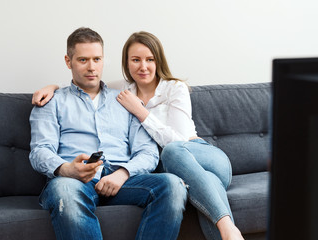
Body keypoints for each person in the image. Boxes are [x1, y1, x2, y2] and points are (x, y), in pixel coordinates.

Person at [32, 31, 244, 240]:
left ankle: (226, 226)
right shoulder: (52, 102)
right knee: (65, 191)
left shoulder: (125, 99)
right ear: (68, 62)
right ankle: (227, 228)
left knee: (173, 185)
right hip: (73, 181)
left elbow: (149, 151)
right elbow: (40, 151)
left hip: (141, 172)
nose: (91, 67)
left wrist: (123, 172)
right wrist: (67, 169)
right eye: (83, 60)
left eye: (97, 59)